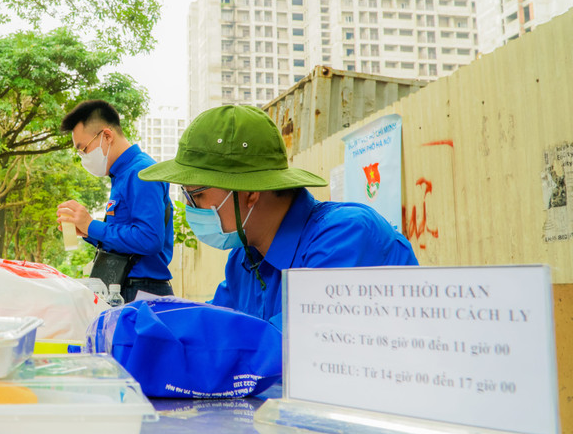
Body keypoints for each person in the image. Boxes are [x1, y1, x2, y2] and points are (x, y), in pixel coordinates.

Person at [138, 105, 418, 329]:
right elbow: (217, 322)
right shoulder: (244, 259)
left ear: (250, 192)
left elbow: (289, 345)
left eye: (196, 195)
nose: (190, 207)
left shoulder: (346, 237)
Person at [56, 100, 174, 303]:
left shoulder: (140, 172)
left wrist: (92, 225)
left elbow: (149, 238)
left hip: (142, 291)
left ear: (107, 136)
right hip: (126, 287)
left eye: (84, 149)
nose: (83, 157)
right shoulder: (121, 175)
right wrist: (87, 231)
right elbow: (125, 240)